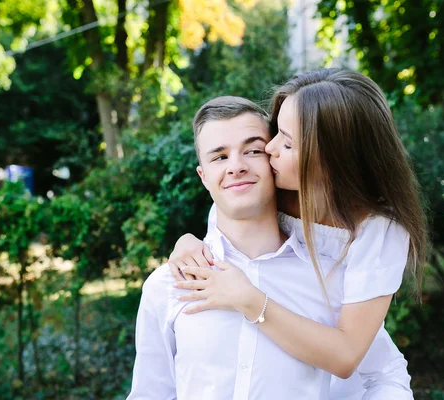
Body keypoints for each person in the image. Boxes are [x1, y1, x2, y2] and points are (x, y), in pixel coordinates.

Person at [168, 69, 427, 399]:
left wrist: (250, 300)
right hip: (291, 369)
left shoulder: (377, 230)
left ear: (330, 159)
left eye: (287, 143)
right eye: (276, 132)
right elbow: (225, 223)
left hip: (358, 376)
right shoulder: (272, 188)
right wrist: (186, 242)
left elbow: (348, 355)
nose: (270, 148)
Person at [129, 96, 341, 399]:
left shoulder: (329, 276)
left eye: (253, 151)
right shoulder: (167, 285)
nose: (236, 167)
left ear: (274, 160)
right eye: (219, 157)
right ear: (204, 177)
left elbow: (375, 377)